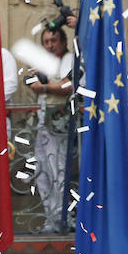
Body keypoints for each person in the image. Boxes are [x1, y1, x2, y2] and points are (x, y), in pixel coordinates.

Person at [29, 24, 75, 233]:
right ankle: (51, 217)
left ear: (63, 42)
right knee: (42, 172)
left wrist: (44, 86)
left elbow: (69, 86)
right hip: (41, 122)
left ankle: (64, 217)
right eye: (46, 42)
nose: (49, 45)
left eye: (53, 41)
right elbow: (30, 80)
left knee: (59, 171)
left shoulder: (69, 59)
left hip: (59, 123)